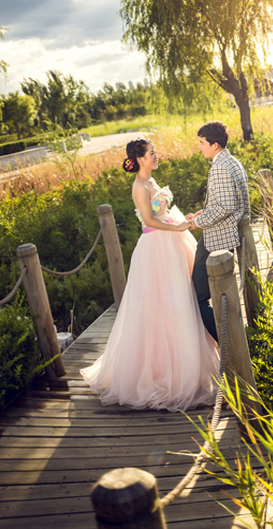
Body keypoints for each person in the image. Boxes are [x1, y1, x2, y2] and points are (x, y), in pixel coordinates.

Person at [81, 138, 219, 411]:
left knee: (185, 298)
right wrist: (178, 228)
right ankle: (163, 372)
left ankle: (191, 361)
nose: (157, 156)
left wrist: (185, 220)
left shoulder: (153, 181)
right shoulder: (139, 187)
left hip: (172, 243)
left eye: (155, 152)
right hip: (157, 249)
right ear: (140, 159)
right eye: (152, 153)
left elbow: (164, 214)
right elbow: (149, 221)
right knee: (166, 303)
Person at [188, 121, 250, 342]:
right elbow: (224, 202)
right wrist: (202, 213)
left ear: (215, 144)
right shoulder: (231, 162)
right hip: (224, 235)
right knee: (216, 294)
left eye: (202, 143)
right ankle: (234, 340)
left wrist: (198, 223)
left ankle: (230, 344)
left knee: (199, 296)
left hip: (217, 240)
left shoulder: (220, 167)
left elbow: (226, 207)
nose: (200, 147)